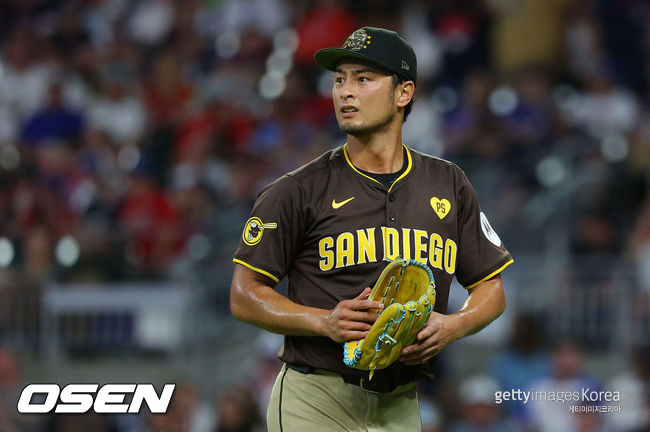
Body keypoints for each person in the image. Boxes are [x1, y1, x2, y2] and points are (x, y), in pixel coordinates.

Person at [230, 26, 513, 431]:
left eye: (363, 79)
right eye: (340, 79)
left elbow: (492, 288)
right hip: (316, 397)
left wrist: (453, 326)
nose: (345, 91)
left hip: (399, 402)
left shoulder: (448, 184)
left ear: (403, 93)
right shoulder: (297, 189)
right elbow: (244, 295)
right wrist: (323, 321)